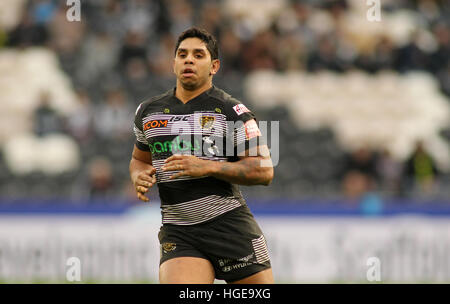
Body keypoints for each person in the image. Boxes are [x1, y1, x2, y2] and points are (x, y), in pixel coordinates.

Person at [129, 27, 274, 284]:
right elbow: (140, 159)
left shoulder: (233, 112)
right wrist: (139, 175)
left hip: (229, 226)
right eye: (182, 54)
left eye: (198, 55)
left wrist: (207, 167)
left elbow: (263, 171)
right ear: (173, 63)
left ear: (214, 66)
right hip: (179, 231)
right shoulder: (148, 112)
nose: (189, 60)